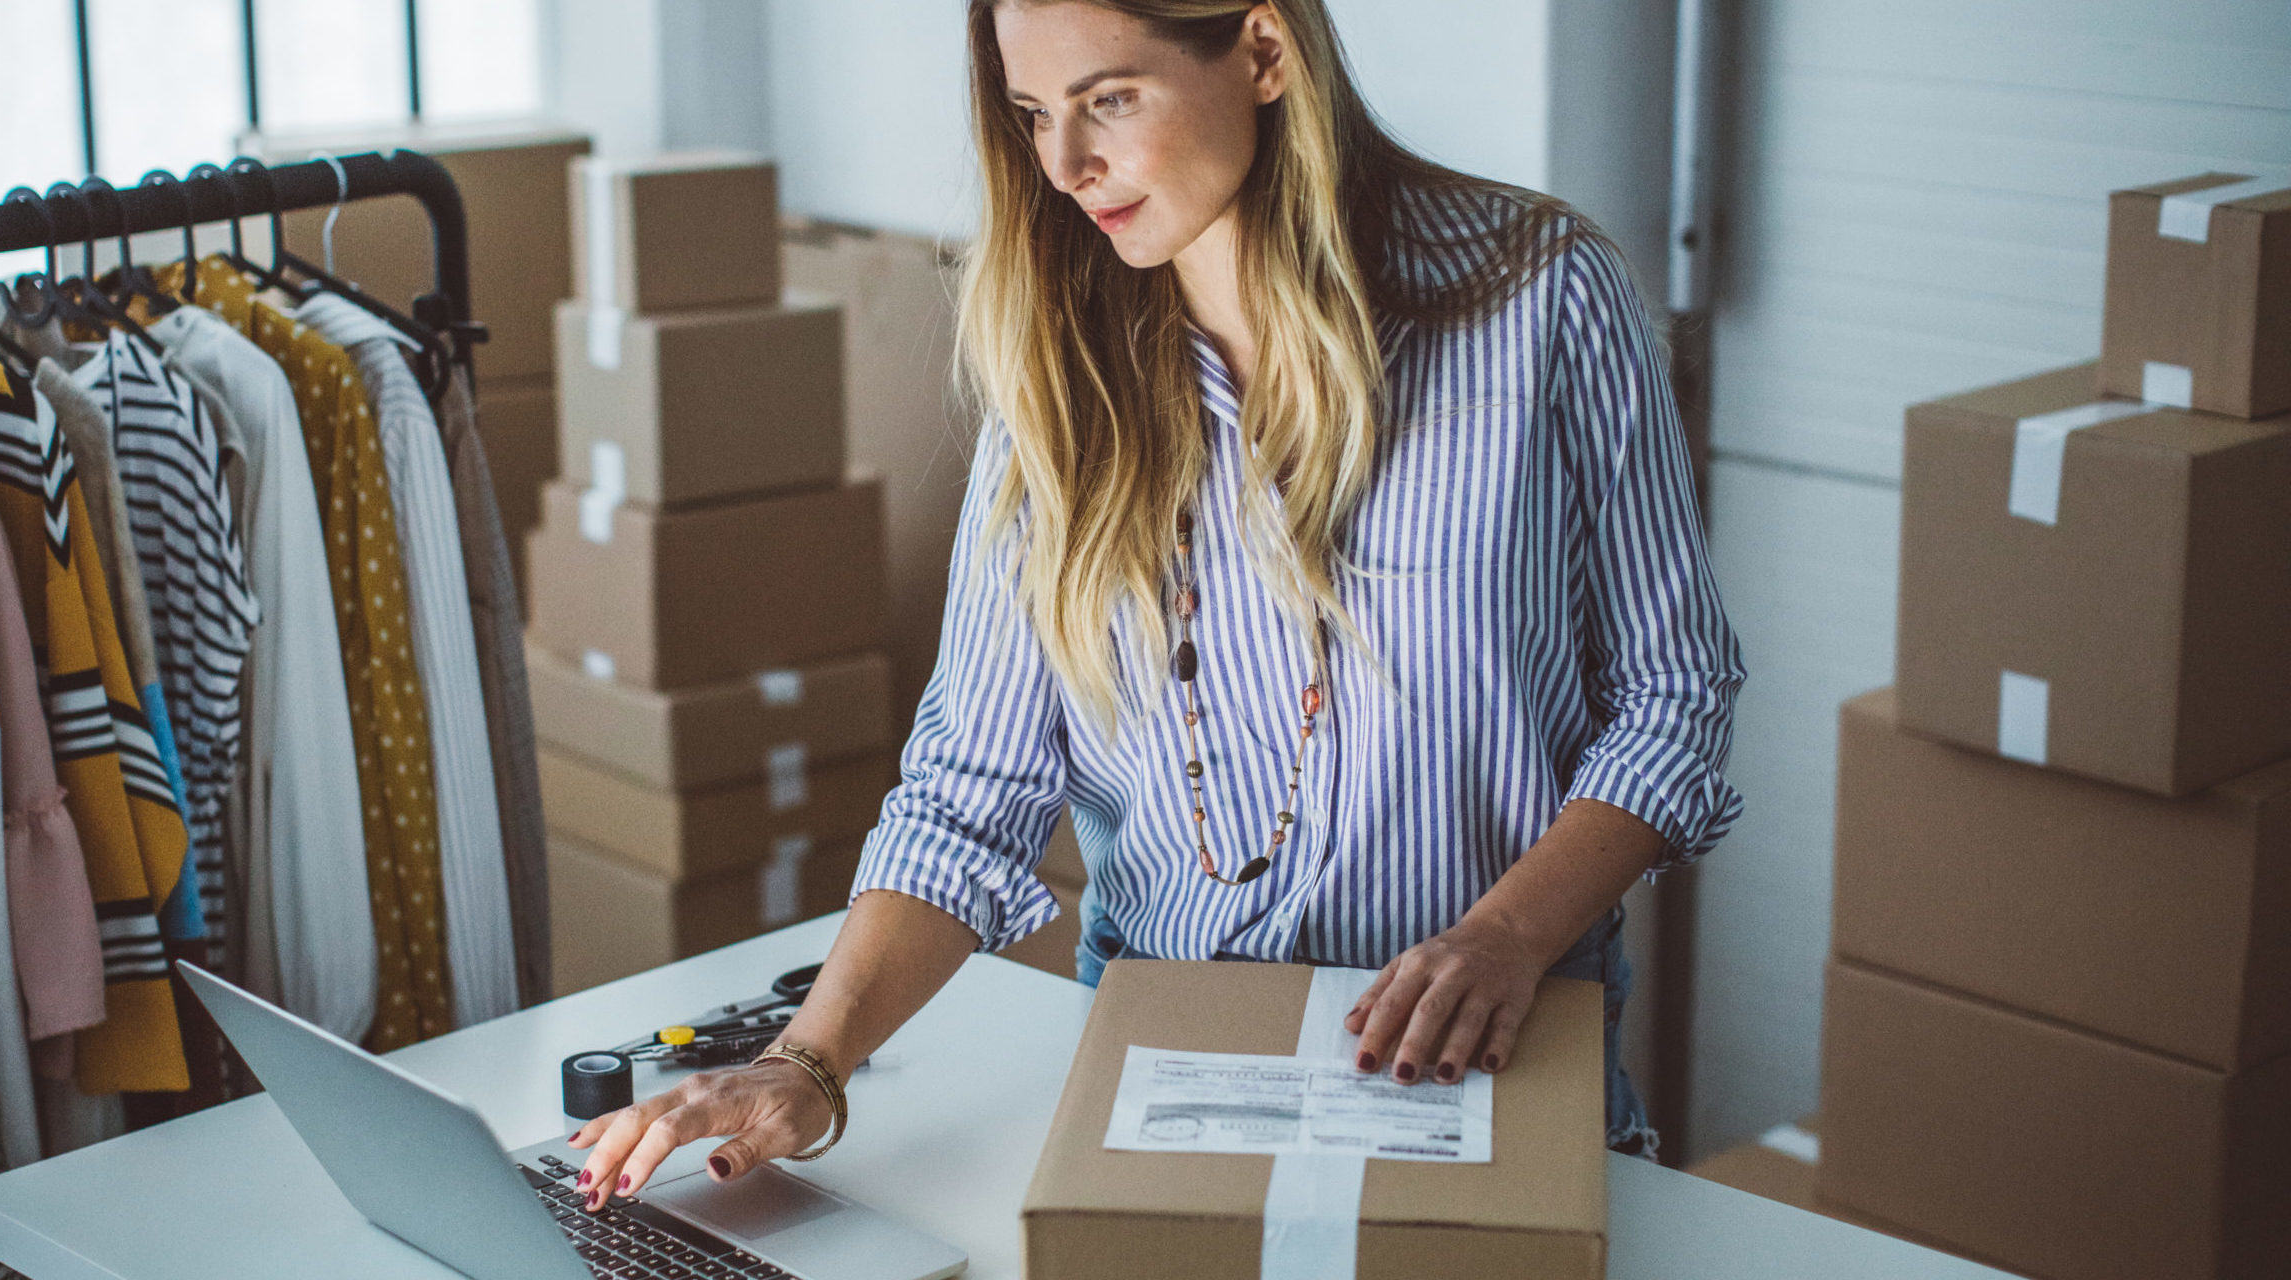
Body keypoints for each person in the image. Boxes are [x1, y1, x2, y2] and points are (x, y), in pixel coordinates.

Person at [565, 0, 1742, 1202]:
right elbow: (972, 789)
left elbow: (1674, 692)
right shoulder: (1060, 378)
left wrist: (1506, 935)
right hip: (1171, 1082)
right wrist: (806, 1062)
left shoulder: (1540, 298)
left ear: (1266, 53)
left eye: (1110, 99)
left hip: (1487, 1067)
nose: (1066, 167)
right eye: (1034, 115)